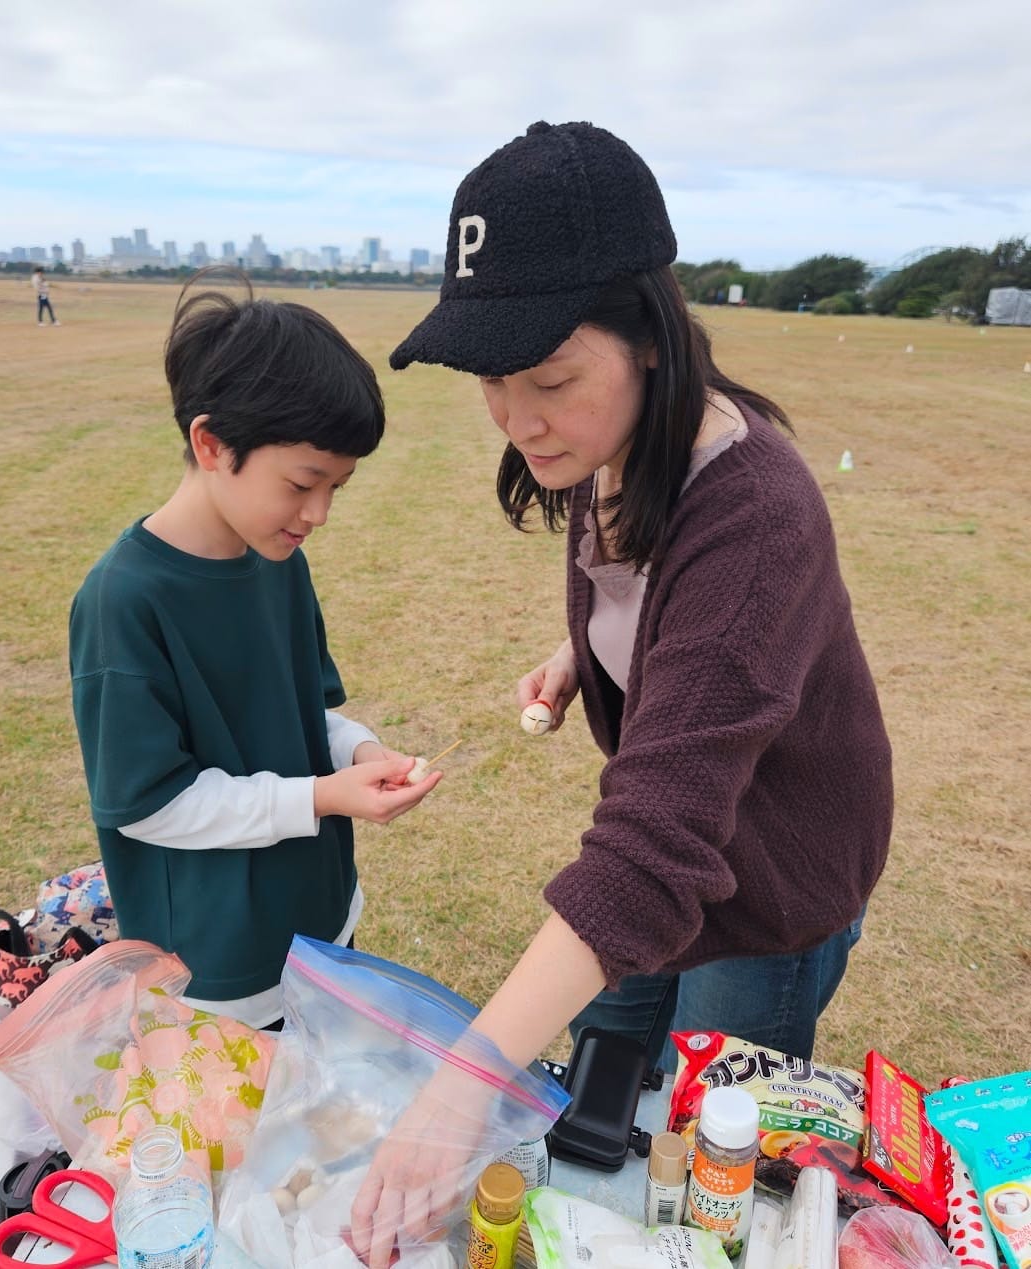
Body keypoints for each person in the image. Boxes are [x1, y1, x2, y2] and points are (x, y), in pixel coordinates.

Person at [350, 121, 892, 1265]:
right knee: (599, 1080)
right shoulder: (615, 450)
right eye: (493, 383)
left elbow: (648, 854)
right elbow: (647, 603)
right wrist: (581, 655)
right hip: (678, 866)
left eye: (550, 380)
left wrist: (458, 1088)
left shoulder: (752, 512)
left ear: (650, 339)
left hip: (765, 885)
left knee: (712, 1159)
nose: (518, 419)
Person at [69, 271, 441, 1029]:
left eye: (337, 485)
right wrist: (320, 796)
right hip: (217, 966)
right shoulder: (123, 600)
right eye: (305, 482)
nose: (320, 513)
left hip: (318, 917)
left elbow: (307, 713)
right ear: (212, 443)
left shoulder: (277, 561)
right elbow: (152, 804)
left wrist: (360, 751)